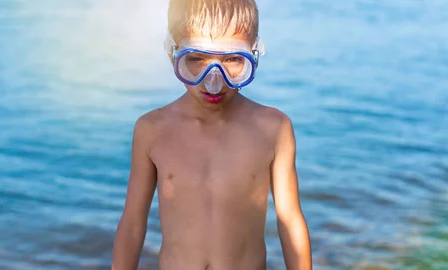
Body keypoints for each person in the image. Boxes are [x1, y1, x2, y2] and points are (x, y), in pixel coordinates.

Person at [111, 0, 312, 269]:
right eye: (195, 59)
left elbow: (289, 219)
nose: (214, 81)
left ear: (254, 55)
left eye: (232, 60)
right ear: (172, 53)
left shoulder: (274, 128)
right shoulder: (152, 130)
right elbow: (134, 222)